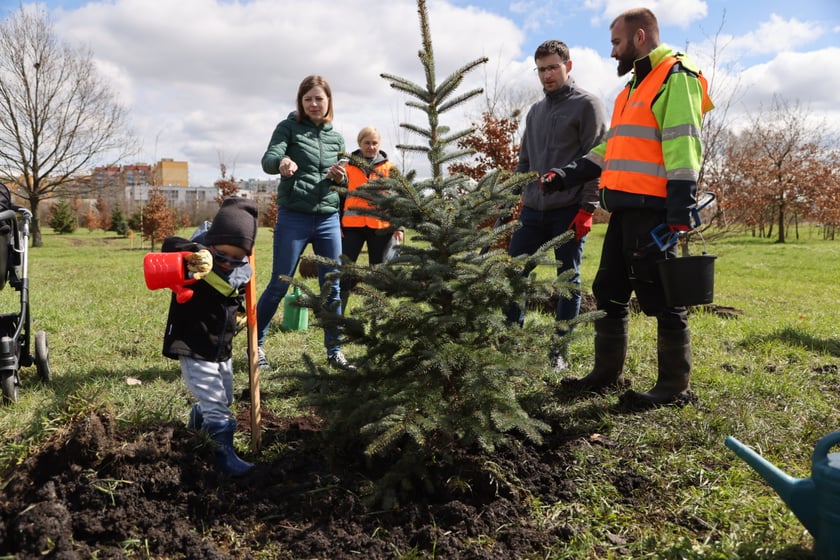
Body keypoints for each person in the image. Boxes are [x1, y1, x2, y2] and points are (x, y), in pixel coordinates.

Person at [541, 7, 714, 408]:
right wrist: (567, 173)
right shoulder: (632, 88)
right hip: (622, 209)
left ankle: (674, 387)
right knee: (609, 290)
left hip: (654, 210)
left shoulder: (675, 76)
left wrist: (680, 205)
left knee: (663, 296)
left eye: (616, 43)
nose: (613, 51)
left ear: (639, 37)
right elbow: (611, 148)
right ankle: (606, 374)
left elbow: (683, 142)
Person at [504, 39, 608, 372]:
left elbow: (597, 157)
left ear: (568, 66)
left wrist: (587, 208)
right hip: (533, 211)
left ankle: (559, 350)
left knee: (567, 279)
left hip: (569, 209)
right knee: (514, 274)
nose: (547, 75)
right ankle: (510, 344)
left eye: (553, 67)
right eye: (541, 69)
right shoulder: (535, 112)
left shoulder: (588, 105)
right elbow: (524, 164)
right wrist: (509, 202)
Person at [256, 75, 355, 371]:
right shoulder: (288, 128)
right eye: (308, 98)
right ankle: (256, 346)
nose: (314, 104)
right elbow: (269, 158)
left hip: (327, 218)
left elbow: (344, 184)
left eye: (319, 99)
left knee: (332, 286)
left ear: (328, 102)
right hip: (294, 216)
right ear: (300, 102)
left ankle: (334, 351)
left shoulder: (336, 138)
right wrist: (282, 163)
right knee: (279, 283)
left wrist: (342, 178)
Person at [161, 196, 258, 476]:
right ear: (212, 244)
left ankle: (197, 429)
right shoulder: (193, 258)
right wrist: (193, 252)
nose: (228, 264)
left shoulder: (240, 271)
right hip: (194, 344)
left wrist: (240, 312)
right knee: (216, 401)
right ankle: (221, 456)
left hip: (220, 348)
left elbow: (237, 296)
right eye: (222, 257)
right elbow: (169, 246)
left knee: (225, 395)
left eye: (236, 259)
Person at [339, 126, 403, 312]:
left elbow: (398, 199)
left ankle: (378, 314)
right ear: (359, 143)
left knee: (379, 272)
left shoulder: (389, 168)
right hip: (351, 226)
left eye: (374, 143)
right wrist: (336, 223)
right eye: (367, 143)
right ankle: (337, 315)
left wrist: (398, 226)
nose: (371, 147)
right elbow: (338, 196)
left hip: (381, 227)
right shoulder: (347, 166)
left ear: (379, 144)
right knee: (344, 270)